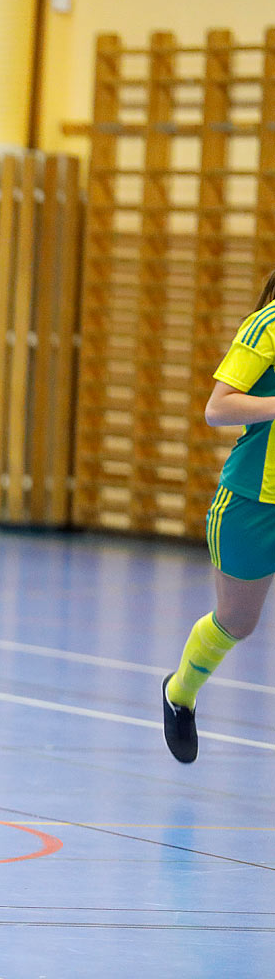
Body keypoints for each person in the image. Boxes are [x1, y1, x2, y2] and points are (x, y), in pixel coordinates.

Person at [163, 269, 275, 763]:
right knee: (236, 621)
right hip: (252, 501)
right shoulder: (267, 325)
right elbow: (218, 408)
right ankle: (179, 693)